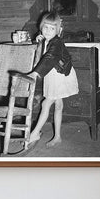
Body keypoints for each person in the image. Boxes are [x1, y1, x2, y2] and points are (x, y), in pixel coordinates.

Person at [26, 11, 79, 148]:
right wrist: (39, 41)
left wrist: (35, 74)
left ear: (58, 30)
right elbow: (42, 54)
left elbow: (50, 57)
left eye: (52, 28)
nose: (48, 31)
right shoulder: (46, 40)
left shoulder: (57, 43)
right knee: (58, 105)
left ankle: (35, 133)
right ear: (41, 27)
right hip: (53, 75)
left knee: (46, 104)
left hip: (60, 76)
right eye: (45, 27)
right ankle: (57, 136)